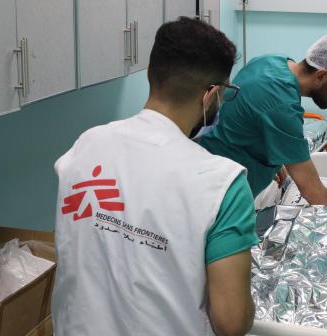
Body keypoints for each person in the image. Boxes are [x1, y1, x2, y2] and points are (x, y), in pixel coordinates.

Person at [52, 17, 258, 336]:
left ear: (151, 74)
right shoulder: (221, 183)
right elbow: (231, 323)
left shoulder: (85, 146)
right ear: (211, 95)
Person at [198, 33, 327, 216]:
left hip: (208, 165)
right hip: (218, 193)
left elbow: (249, 117)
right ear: (321, 76)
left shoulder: (269, 61)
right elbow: (311, 188)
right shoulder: (281, 105)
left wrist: (276, 162)